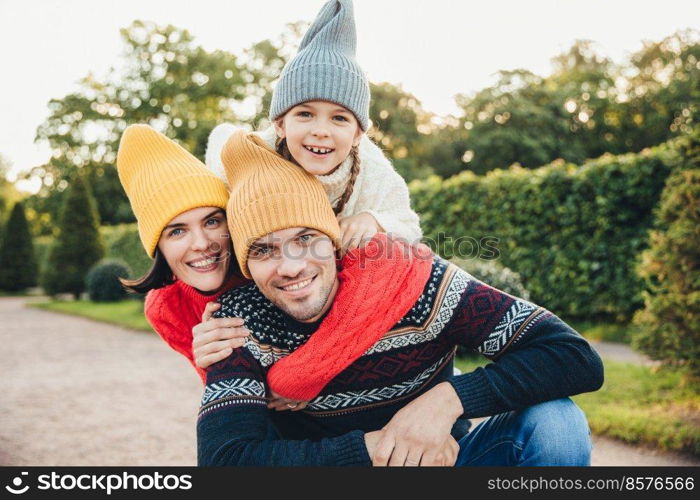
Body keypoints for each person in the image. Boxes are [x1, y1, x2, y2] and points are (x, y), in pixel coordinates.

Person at [196, 128, 604, 467]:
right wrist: (380, 447)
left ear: (334, 241)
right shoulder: (239, 320)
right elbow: (225, 461)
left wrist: (447, 402)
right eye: (264, 250)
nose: (291, 266)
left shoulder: (417, 282)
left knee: (556, 423)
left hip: (451, 462)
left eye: (306, 239)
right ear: (246, 265)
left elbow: (573, 356)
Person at [116, 124, 430, 388]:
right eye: (176, 231)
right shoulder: (166, 307)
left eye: (213, 221)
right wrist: (213, 363)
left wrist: (296, 378)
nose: (201, 243)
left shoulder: (282, 266)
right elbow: (240, 403)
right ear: (157, 244)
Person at [205, 0, 422, 258]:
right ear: (280, 124)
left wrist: (374, 220)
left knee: (400, 256)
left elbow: (410, 227)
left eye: (339, 118)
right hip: (277, 266)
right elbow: (215, 198)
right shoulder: (256, 154)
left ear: (358, 134)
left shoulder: (374, 171)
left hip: (334, 270)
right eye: (305, 114)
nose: (321, 131)